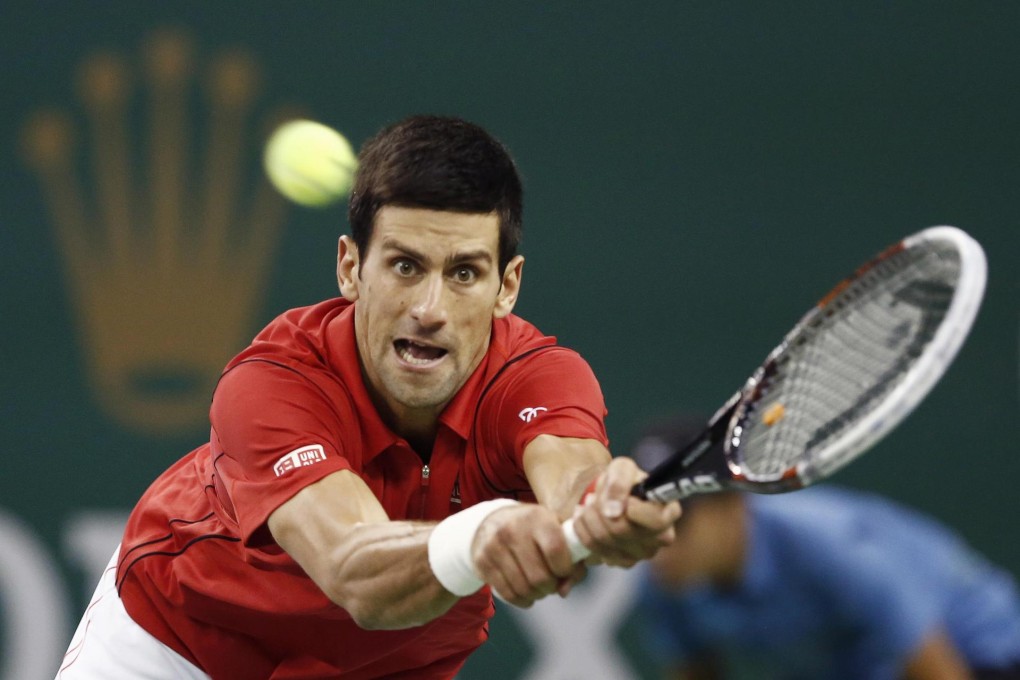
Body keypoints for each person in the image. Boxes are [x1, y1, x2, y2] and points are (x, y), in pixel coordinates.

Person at [56, 115, 681, 679]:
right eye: (405, 266)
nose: (429, 310)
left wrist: (606, 508)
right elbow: (356, 572)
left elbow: (574, 479)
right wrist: (482, 532)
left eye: (463, 273)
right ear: (351, 268)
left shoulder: (538, 376)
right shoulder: (272, 384)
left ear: (507, 286)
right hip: (175, 649)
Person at [632, 415, 1020, 680]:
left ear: (732, 506)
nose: (664, 545)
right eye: (648, 520)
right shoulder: (662, 577)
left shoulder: (824, 543)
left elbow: (932, 661)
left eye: (681, 522)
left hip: (978, 652)